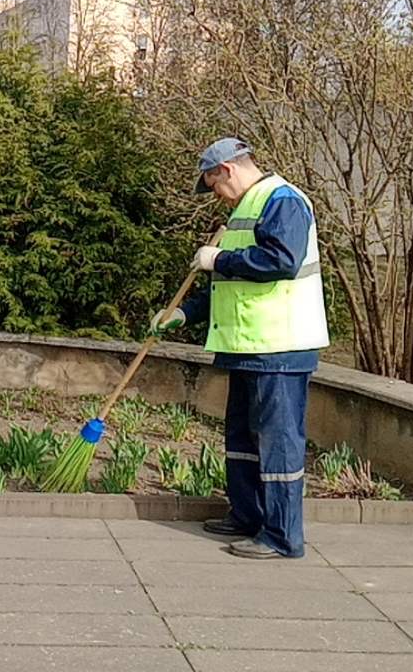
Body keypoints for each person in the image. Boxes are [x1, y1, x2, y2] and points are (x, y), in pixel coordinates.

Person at [149, 137, 329, 560]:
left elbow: (281, 261)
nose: (214, 194)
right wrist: (184, 314)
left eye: (212, 184)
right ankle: (248, 516)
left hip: (281, 347)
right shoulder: (243, 209)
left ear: (227, 169)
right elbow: (230, 286)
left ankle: (282, 536)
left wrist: (219, 260)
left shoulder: (282, 201)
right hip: (249, 346)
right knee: (243, 437)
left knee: (278, 441)